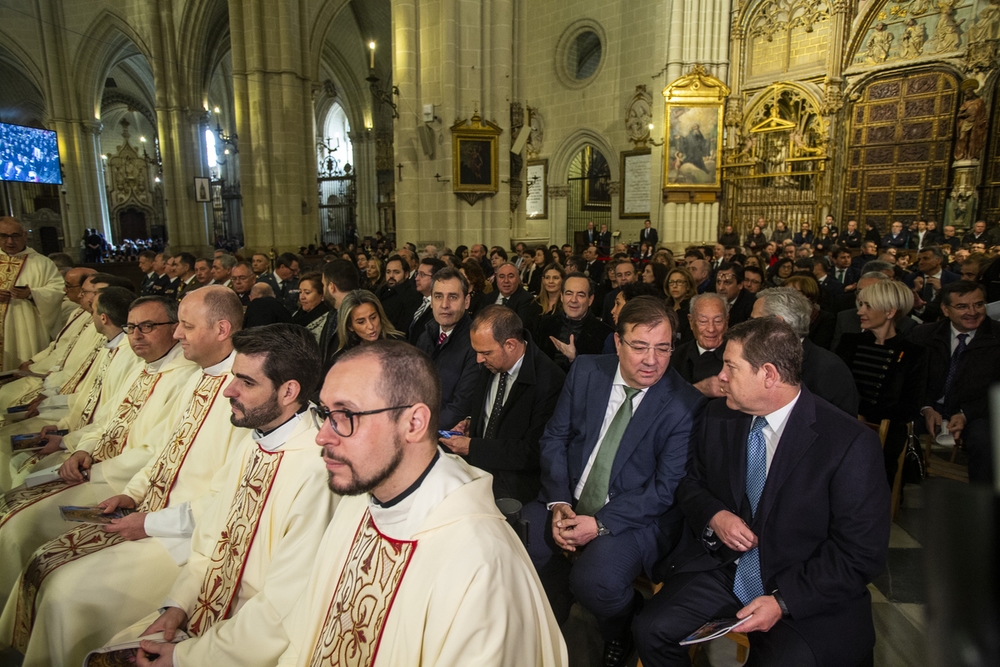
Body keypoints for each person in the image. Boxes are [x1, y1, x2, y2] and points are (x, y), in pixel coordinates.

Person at [0, 287, 248, 667]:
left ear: (221, 329)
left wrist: (151, 520)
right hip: (150, 507)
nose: (178, 335)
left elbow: (231, 498)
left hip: (189, 534)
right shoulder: (199, 378)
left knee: (66, 592)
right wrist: (133, 494)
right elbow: (165, 451)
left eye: (184, 325)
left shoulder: (243, 391)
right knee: (45, 563)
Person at [633, 317, 890, 667]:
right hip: (728, 569)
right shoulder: (718, 416)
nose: (720, 377)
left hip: (804, 585)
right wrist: (716, 516)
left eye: (730, 367)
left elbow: (861, 554)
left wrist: (783, 602)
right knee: (651, 629)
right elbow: (692, 483)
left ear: (768, 374)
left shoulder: (848, 443)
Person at [104, 324, 338, 667]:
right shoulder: (257, 439)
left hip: (249, 642)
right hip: (205, 613)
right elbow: (211, 536)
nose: (229, 391)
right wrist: (178, 604)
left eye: (247, 382)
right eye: (234, 378)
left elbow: (282, 605)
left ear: (289, 391)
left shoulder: (317, 471)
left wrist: (188, 656)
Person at [526, 297, 706, 667]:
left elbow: (664, 488)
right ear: (617, 343)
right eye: (639, 346)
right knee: (518, 544)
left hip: (635, 516)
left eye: (662, 347)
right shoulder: (588, 371)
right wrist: (558, 502)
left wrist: (600, 524)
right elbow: (555, 438)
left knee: (597, 582)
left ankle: (622, 623)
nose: (652, 360)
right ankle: (543, 626)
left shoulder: (685, 404)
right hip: (568, 498)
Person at [438, 306, 565, 504]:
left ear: (511, 345)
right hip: (478, 470)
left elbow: (532, 452)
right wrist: (472, 422)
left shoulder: (550, 380)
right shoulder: (492, 362)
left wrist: (473, 447)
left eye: (485, 352)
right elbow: (492, 411)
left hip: (514, 486)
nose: (479, 359)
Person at [910, 281, 1000, 485]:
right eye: (962, 306)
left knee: (985, 442)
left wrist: (966, 414)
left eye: (978, 304)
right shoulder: (923, 335)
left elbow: (997, 391)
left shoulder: (997, 336)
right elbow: (912, 381)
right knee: (897, 429)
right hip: (929, 408)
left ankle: (983, 508)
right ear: (945, 309)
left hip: (977, 411)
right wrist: (926, 407)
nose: (972, 312)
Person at [835, 281, 924, 487]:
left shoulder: (913, 353)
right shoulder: (850, 342)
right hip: (845, 420)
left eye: (868, 306)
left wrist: (868, 417)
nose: (860, 312)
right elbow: (837, 386)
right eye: (861, 305)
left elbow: (910, 405)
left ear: (890, 312)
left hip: (886, 430)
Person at [751, 287, 860, 416]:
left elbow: (838, 428)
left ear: (777, 324)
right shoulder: (755, 358)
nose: (750, 329)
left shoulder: (830, 370)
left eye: (754, 321)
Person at [415, 268, 479, 429]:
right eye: (438, 297)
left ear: (466, 301)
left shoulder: (476, 343)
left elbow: (461, 405)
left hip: (442, 433)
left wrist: (424, 429)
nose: (444, 305)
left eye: (453, 297)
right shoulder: (425, 336)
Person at [0, 217, 65, 370]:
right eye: (3, 236)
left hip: (26, 328)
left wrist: (32, 294)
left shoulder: (42, 263)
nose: (9, 241)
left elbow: (58, 289)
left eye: (15, 236)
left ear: (24, 235)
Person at [536, 273, 613, 372]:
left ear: (590, 300)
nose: (573, 300)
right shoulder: (545, 323)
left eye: (580, 295)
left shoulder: (605, 334)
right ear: (562, 296)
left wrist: (574, 359)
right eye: (569, 293)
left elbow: (603, 376)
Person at [668, 293, 728, 398]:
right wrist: (699, 389)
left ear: (727, 321)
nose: (711, 329)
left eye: (718, 321)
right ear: (691, 322)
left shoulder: (739, 357)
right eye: (703, 321)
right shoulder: (677, 355)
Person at [331, 289, 402, 366]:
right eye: (361, 322)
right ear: (350, 326)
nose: (371, 326)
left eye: (373, 317)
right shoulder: (343, 355)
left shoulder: (399, 346)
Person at [488, 262, 542, 331]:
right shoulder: (488, 298)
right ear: (496, 279)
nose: (506, 280)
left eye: (511, 276)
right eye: (501, 276)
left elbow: (520, 329)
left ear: (518, 278)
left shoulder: (527, 300)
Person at [406, 257, 446, 344]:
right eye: (417, 274)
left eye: (422, 275)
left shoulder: (442, 306)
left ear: (437, 278)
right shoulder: (416, 300)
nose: (416, 278)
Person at [376, 254, 417, 332]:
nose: (391, 276)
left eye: (396, 272)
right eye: (388, 272)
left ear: (406, 275)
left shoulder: (411, 296)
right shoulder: (381, 290)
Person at [290, 272, 330, 342]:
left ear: (322, 295)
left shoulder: (328, 320)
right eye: (300, 292)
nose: (301, 297)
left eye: (307, 292)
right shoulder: (296, 314)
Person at [715, 262, 754, 327]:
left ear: (740, 285)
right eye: (718, 282)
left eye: (727, 282)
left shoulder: (751, 305)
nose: (720, 288)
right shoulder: (711, 300)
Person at [601, 258, 637, 324]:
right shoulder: (609, 297)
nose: (623, 278)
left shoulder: (644, 296)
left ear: (636, 276)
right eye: (619, 275)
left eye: (628, 274)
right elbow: (606, 323)